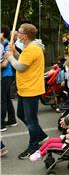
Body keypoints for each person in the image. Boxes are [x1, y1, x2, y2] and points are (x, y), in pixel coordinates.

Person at [5, 23, 48, 159]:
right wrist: (15, 52)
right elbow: (23, 58)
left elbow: (20, 66)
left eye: (19, 31)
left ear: (25, 35)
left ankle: (34, 146)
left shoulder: (33, 49)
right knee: (22, 114)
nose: (17, 33)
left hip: (31, 89)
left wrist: (9, 57)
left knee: (31, 120)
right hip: (25, 88)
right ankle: (41, 135)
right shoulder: (29, 48)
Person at [1, 25, 17, 132]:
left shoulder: (6, 45)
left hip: (5, 75)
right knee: (6, 97)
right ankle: (12, 120)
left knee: (2, 99)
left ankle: (1, 124)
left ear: (2, 34)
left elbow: (5, 64)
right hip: (7, 75)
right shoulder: (4, 44)